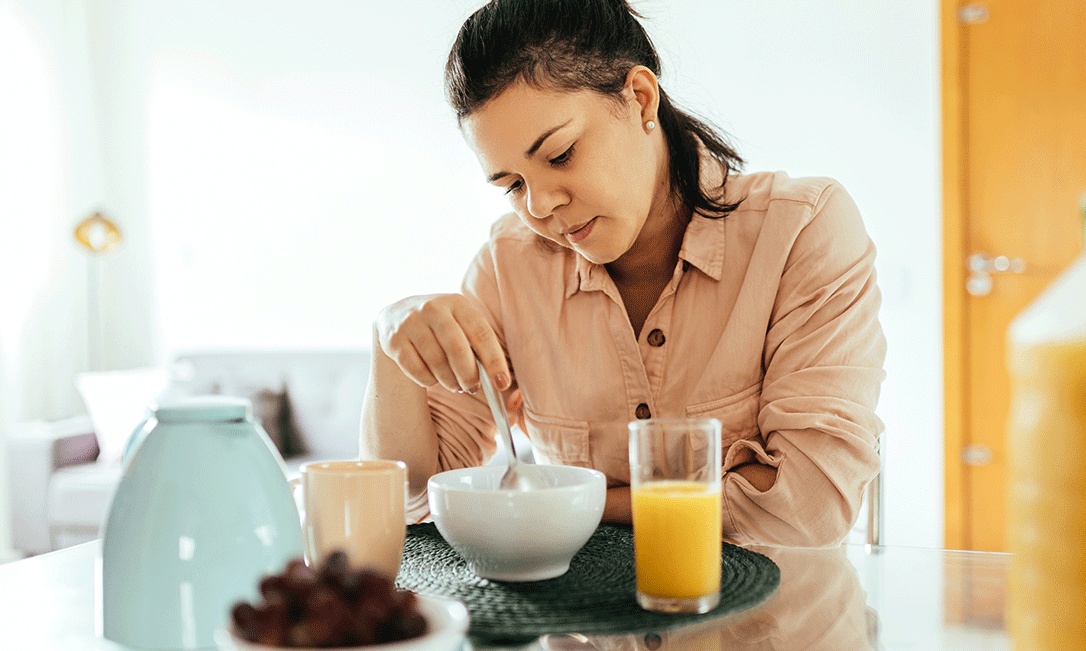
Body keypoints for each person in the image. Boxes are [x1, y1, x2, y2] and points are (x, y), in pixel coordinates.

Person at [360, 0, 886, 547]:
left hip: (775, 624)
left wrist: (565, 500)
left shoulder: (801, 230)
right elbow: (414, 500)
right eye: (512, 185)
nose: (539, 205)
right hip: (583, 628)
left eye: (560, 155)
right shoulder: (507, 266)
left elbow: (811, 504)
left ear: (639, 99)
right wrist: (387, 336)